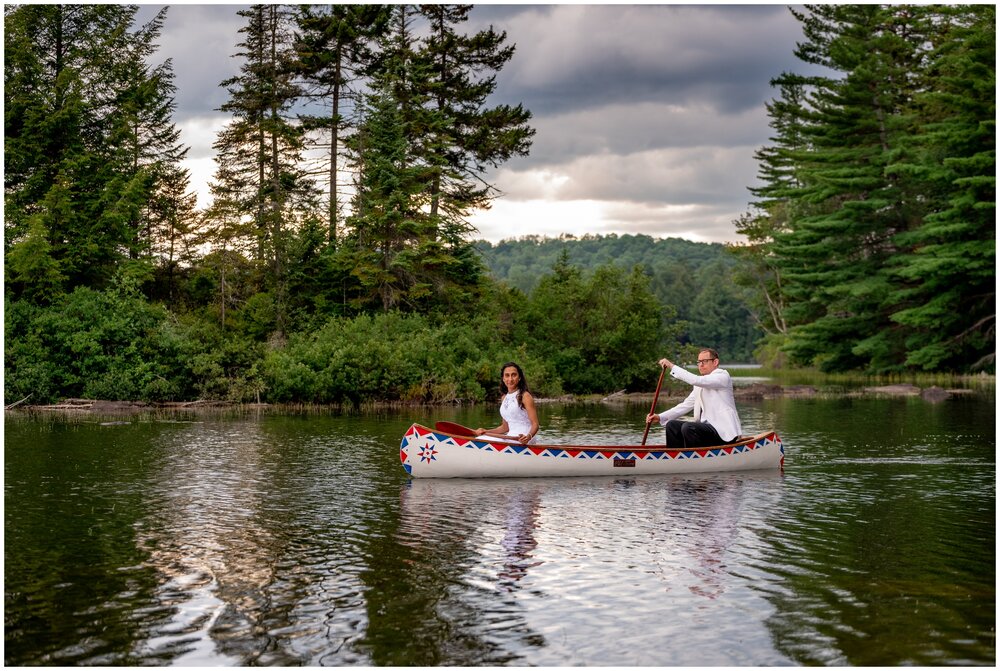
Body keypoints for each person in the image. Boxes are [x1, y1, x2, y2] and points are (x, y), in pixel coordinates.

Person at [645, 348, 742, 448]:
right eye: (699, 362)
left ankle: (694, 458)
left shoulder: (722, 377)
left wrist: (671, 366)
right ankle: (675, 457)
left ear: (715, 362)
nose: (701, 365)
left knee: (689, 427)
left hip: (724, 433)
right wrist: (660, 417)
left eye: (704, 361)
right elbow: (685, 406)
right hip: (707, 430)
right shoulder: (700, 384)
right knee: (672, 425)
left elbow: (695, 380)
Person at [475, 361, 540, 444]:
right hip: (510, 437)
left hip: (523, 439)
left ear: (519, 377)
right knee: (481, 438)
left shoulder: (525, 396)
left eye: (514, 375)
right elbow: (505, 428)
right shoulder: (504, 398)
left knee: (482, 440)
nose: (510, 379)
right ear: (503, 378)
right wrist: (485, 431)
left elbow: (535, 424)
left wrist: (528, 437)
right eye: (507, 375)